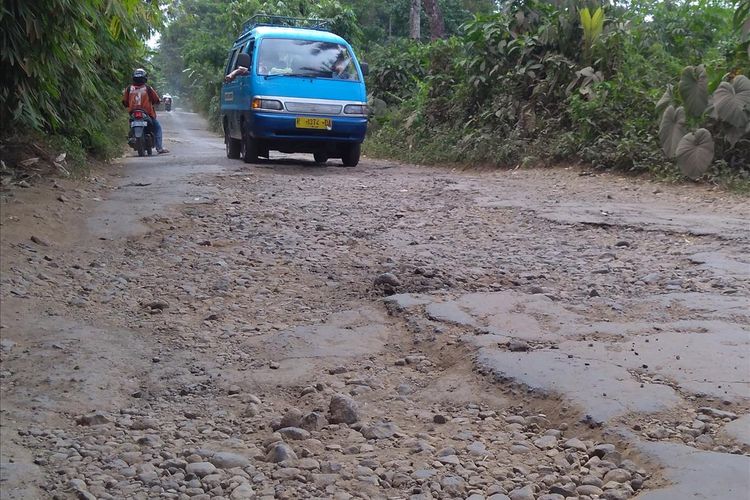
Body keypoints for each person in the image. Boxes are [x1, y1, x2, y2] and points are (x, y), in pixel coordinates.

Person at [122, 68, 169, 154]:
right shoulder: (147, 88)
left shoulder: (129, 89)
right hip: (147, 113)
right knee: (157, 128)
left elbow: (125, 102)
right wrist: (157, 102)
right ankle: (159, 148)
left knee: (130, 126)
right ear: (145, 78)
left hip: (133, 113)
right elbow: (156, 99)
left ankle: (132, 138)